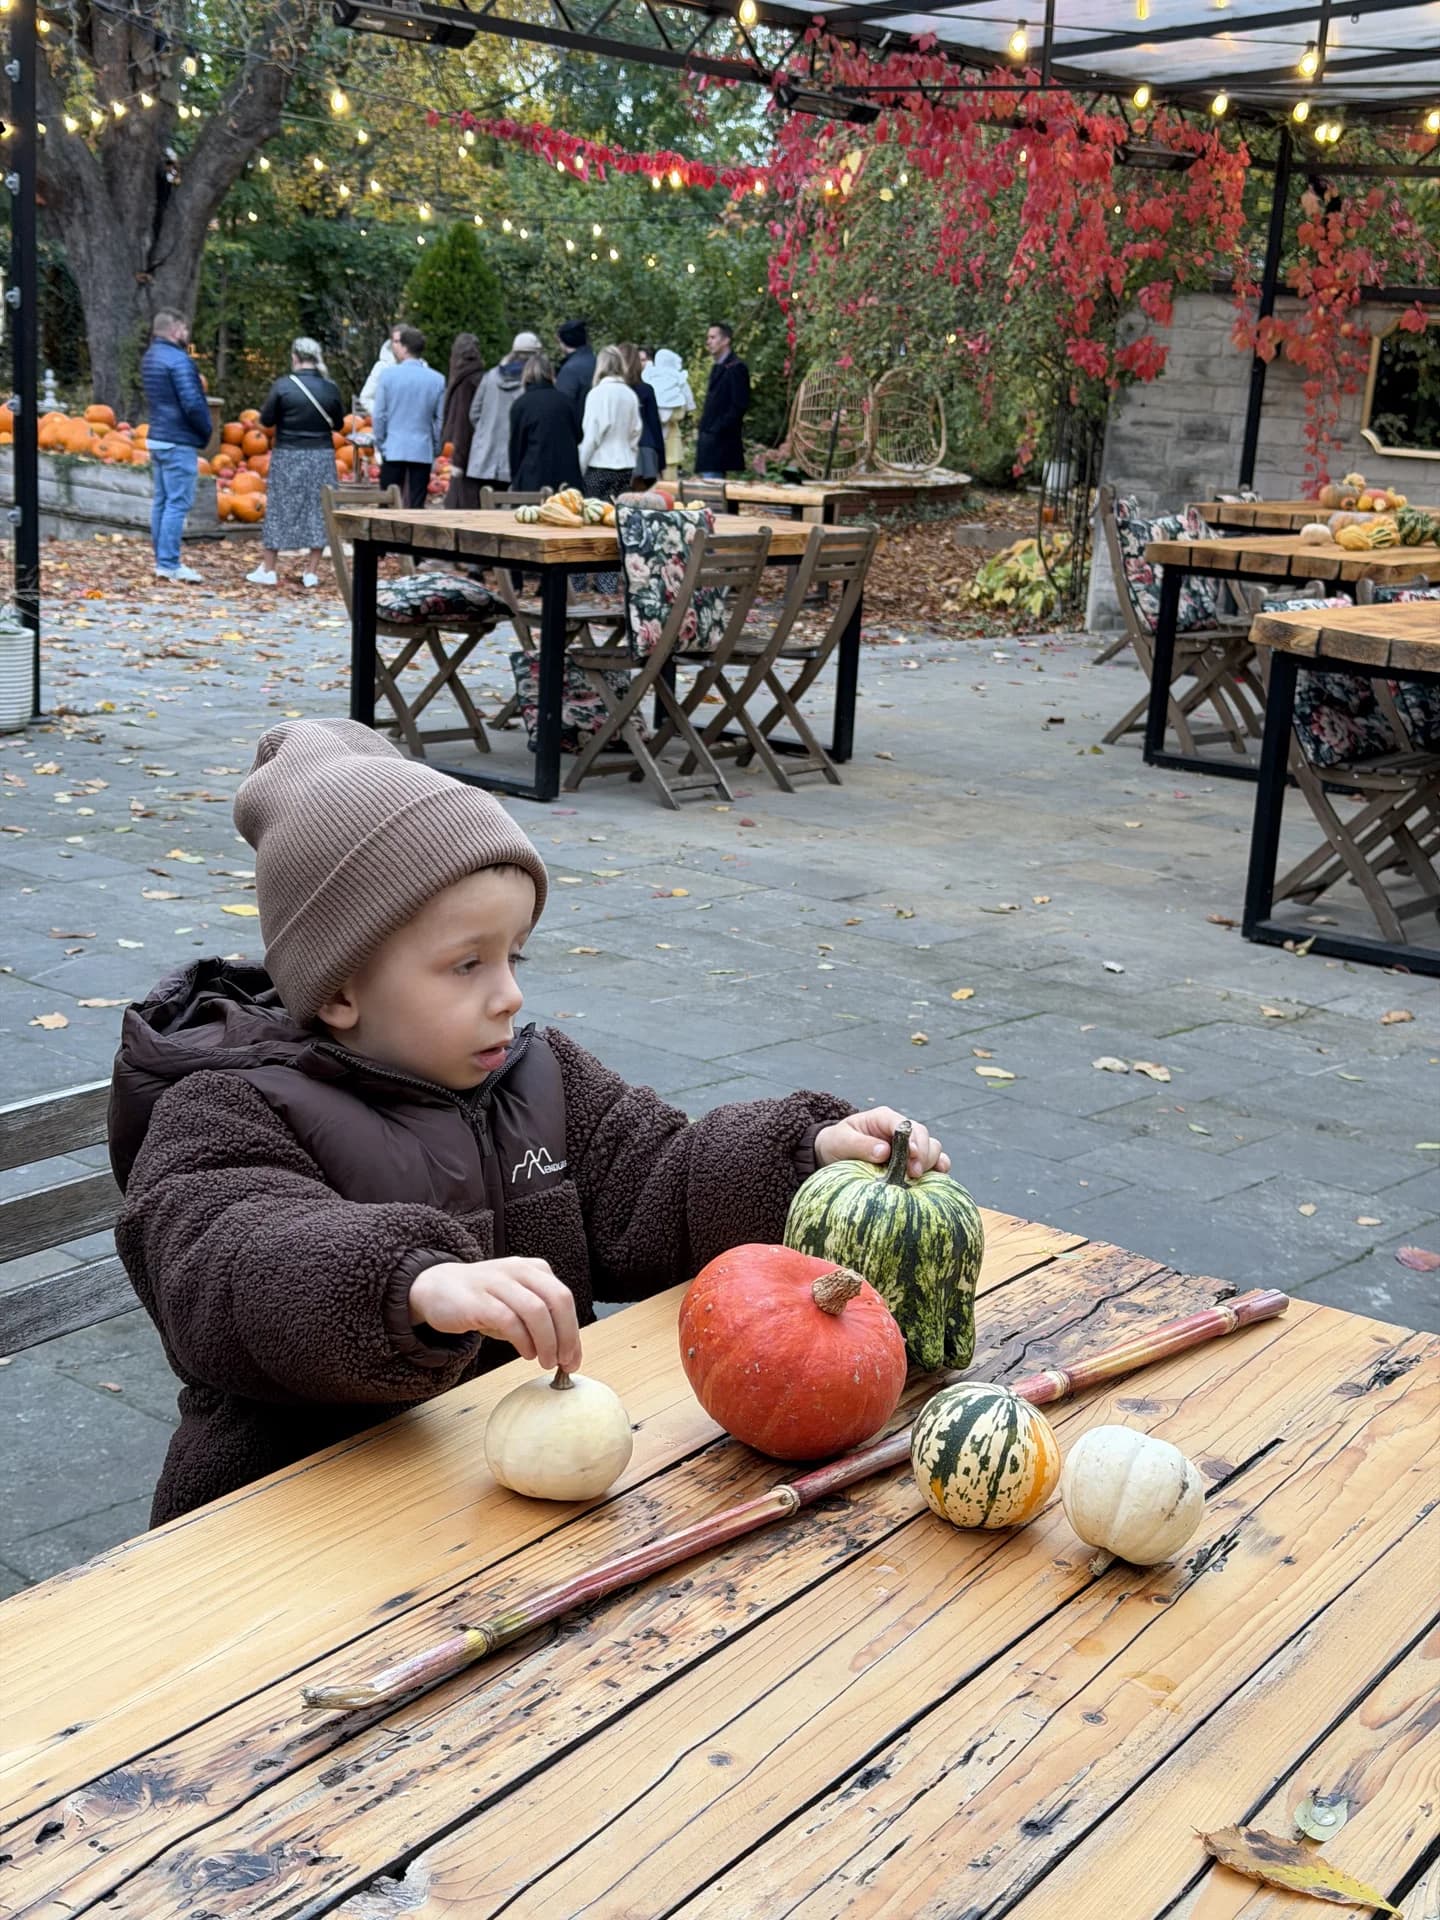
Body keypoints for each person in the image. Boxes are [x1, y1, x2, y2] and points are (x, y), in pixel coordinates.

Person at [107, 717, 951, 1522]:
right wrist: (409, 1284)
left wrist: (803, 1155)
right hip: (292, 1517)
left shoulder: (543, 1078)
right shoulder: (227, 1107)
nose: (509, 994)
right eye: (466, 964)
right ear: (338, 989)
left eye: (514, 955)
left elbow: (659, 1181)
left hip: (521, 1490)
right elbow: (225, 1256)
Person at [246, 337, 345, 590]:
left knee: (279, 507)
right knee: (319, 509)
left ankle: (269, 569)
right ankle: (311, 571)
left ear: (295, 357)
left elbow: (267, 420)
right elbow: (339, 423)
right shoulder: (330, 388)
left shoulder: (283, 386)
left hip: (288, 454)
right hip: (321, 455)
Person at [140, 309, 213, 583]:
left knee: (162, 501)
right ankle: (169, 563)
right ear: (174, 330)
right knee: (177, 502)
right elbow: (192, 403)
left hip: (157, 435)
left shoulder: (150, 357)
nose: (186, 333)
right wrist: (205, 430)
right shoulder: (180, 361)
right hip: (177, 438)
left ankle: (162, 559)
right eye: (183, 328)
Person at [371, 325, 444, 509]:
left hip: (393, 448)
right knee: (416, 506)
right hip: (422, 449)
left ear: (404, 348)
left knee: (387, 505)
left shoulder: (388, 376)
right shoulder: (437, 379)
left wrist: (381, 442)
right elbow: (439, 420)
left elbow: (379, 415)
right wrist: (435, 447)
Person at [467, 331, 542, 494]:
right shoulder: (531, 383)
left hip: (484, 454)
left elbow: (474, 413)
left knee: (485, 503)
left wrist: (484, 431)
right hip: (514, 456)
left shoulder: (490, 376)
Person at [507, 353, 582, 496]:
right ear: (551, 374)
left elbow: (516, 448)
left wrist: (515, 480)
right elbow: (579, 436)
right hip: (567, 477)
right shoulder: (567, 402)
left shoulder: (521, 405)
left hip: (533, 477)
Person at [694, 321, 751, 480]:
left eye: (713, 337)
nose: (708, 342)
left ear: (726, 340)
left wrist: (716, 428)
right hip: (711, 440)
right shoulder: (717, 367)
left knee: (713, 488)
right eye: (708, 338)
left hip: (720, 441)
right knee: (709, 487)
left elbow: (739, 405)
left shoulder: (736, 368)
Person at [440, 333, 486, 510]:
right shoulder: (480, 378)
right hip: (477, 454)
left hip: (465, 457)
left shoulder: (465, 383)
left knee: (461, 507)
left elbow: (462, 424)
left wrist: (458, 462)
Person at [617, 342, 665, 485]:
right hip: (645, 448)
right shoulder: (646, 390)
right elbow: (655, 426)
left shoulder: (611, 391)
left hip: (620, 449)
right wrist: (661, 462)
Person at [643, 346, 695, 480]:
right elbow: (688, 402)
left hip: (654, 437)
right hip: (666, 434)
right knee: (668, 480)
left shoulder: (649, 376)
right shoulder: (678, 378)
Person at [554, 318, 596, 428]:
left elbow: (561, 406)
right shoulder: (599, 363)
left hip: (578, 430)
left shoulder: (569, 370)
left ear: (563, 342)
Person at [358, 327, 400, 417]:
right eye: (396, 341)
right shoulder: (382, 367)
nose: (400, 346)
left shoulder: (421, 367)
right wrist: (383, 415)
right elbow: (365, 397)